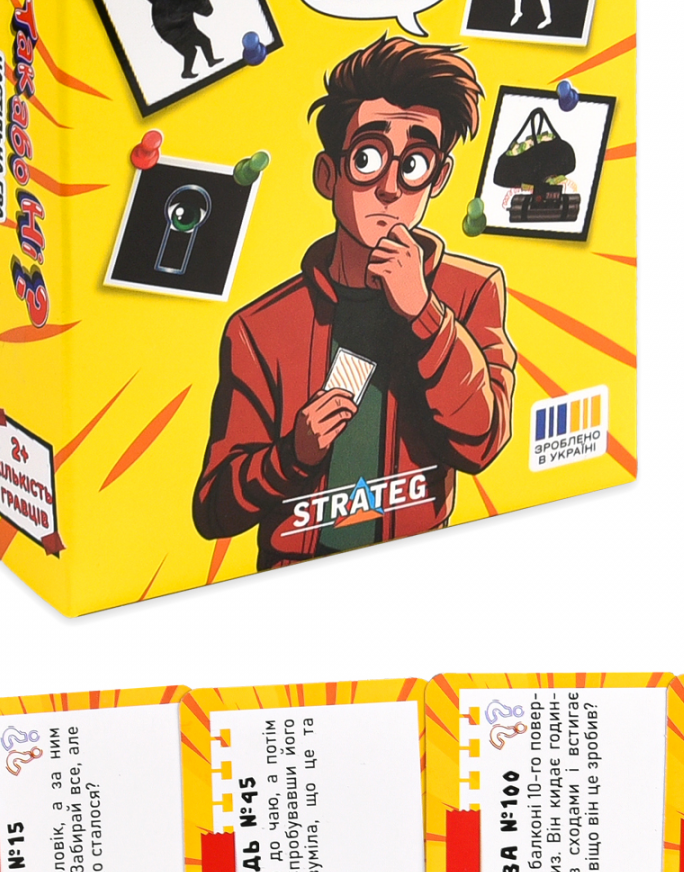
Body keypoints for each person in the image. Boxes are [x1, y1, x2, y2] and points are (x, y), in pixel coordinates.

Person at [193, 34, 516, 569]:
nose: (390, 187)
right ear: (328, 174)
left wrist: (426, 315)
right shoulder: (261, 327)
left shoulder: (469, 291)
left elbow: (482, 442)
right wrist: (291, 455)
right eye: (368, 158)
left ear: (438, 178)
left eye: (415, 164)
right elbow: (213, 509)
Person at [141, 0, 220, 78]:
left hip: (187, 29)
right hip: (170, 32)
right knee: (191, 51)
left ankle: (209, 62)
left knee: (204, 41)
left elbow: (207, 12)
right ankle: (187, 72)